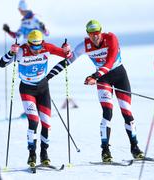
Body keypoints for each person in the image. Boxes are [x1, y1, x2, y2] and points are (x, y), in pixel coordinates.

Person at [46, 20, 144, 162]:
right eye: (91, 34)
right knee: (107, 113)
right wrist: (48, 76)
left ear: (101, 32)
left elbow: (110, 62)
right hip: (103, 80)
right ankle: (105, 151)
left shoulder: (111, 38)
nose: (95, 37)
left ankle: (135, 148)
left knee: (127, 112)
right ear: (88, 34)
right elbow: (68, 60)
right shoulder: (85, 45)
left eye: (97, 33)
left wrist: (94, 76)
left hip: (118, 75)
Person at [0, 30, 71, 166]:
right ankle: (32, 155)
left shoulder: (47, 48)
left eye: (39, 46)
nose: (37, 50)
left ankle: (44, 154)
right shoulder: (21, 51)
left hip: (43, 89)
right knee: (33, 122)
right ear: (29, 44)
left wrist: (67, 50)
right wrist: (11, 53)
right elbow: (1, 64)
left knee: (46, 123)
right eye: (34, 46)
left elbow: (66, 55)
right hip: (27, 89)